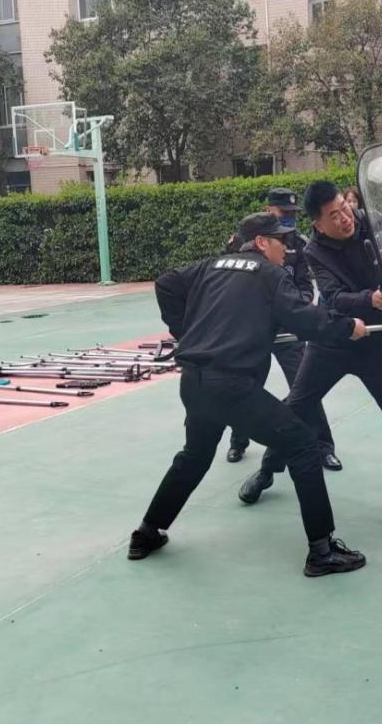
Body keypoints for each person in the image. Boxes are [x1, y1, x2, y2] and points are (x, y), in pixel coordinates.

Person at [129, 212, 369, 578]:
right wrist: (348, 327)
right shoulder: (270, 275)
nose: (287, 249)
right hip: (232, 387)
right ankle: (322, 552)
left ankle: (146, 533)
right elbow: (305, 320)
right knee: (304, 446)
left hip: (194, 381)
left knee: (195, 455)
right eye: (280, 241)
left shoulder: (211, 266)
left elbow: (165, 283)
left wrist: (186, 332)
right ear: (260, 242)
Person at [238, 182, 382, 519]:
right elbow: (334, 297)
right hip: (332, 343)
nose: (346, 218)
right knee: (297, 407)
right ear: (318, 223)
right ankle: (267, 471)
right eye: (334, 215)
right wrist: (370, 299)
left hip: (373, 343)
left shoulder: (368, 221)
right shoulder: (314, 252)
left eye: (345, 207)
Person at [225, 188, 340, 471]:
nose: (289, 219)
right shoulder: (242, 240)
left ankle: (324, 446)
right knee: (245, 385)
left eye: (292, 214)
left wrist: (297, 306)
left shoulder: (297, 243)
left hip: (288, 329)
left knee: (305, 386)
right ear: (269, 210)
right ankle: (238, 441)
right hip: (253, 330)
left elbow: (304, 284)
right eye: (283, 213)